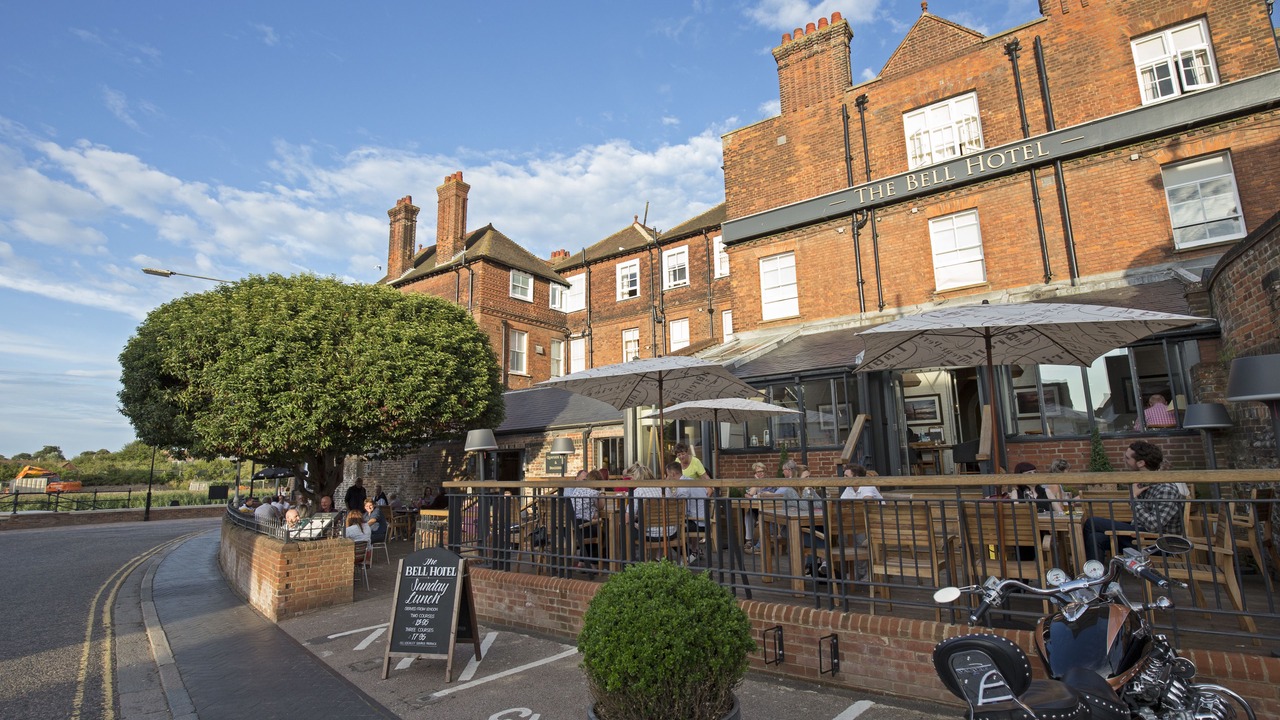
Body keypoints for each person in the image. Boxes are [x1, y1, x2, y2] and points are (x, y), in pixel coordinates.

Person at [1081, 440, 1185, 561]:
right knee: (1096, 538)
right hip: (1141, 537)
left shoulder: (1166, 489)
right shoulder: (1144, 484)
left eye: (1127, 458)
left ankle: (1088, 573)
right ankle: (1097, 577)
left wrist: (1133, 499)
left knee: (1092, 522)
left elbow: (1153, 525)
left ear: (1140, 463)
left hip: (1159, 544)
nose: (1124, 461)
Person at [564, 470, 604, 567]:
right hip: (582, 528)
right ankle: (593, 563)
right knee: (599, 531)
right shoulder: (594, 492)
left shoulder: (577, 490)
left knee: (593, 527)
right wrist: (602, 492)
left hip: (571, 527)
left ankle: (583, 561)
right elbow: (601, 506)